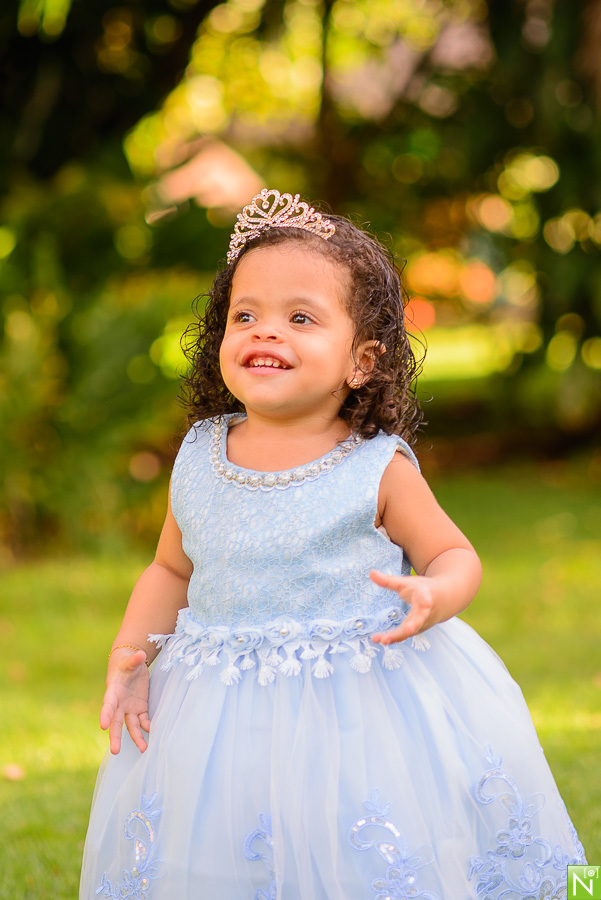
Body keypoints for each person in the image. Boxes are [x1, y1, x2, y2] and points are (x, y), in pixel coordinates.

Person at [80, 189, 585, 900]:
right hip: (220, 706)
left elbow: (455, 555)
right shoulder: (198, 454)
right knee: (227, 849)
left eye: (300, 318)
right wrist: (131, 658)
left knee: (356, 851)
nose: (266, 332)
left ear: (360, 359)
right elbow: (170, 568)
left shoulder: (376, 466)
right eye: (244, 315)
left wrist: (434, 593)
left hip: (355, 705)